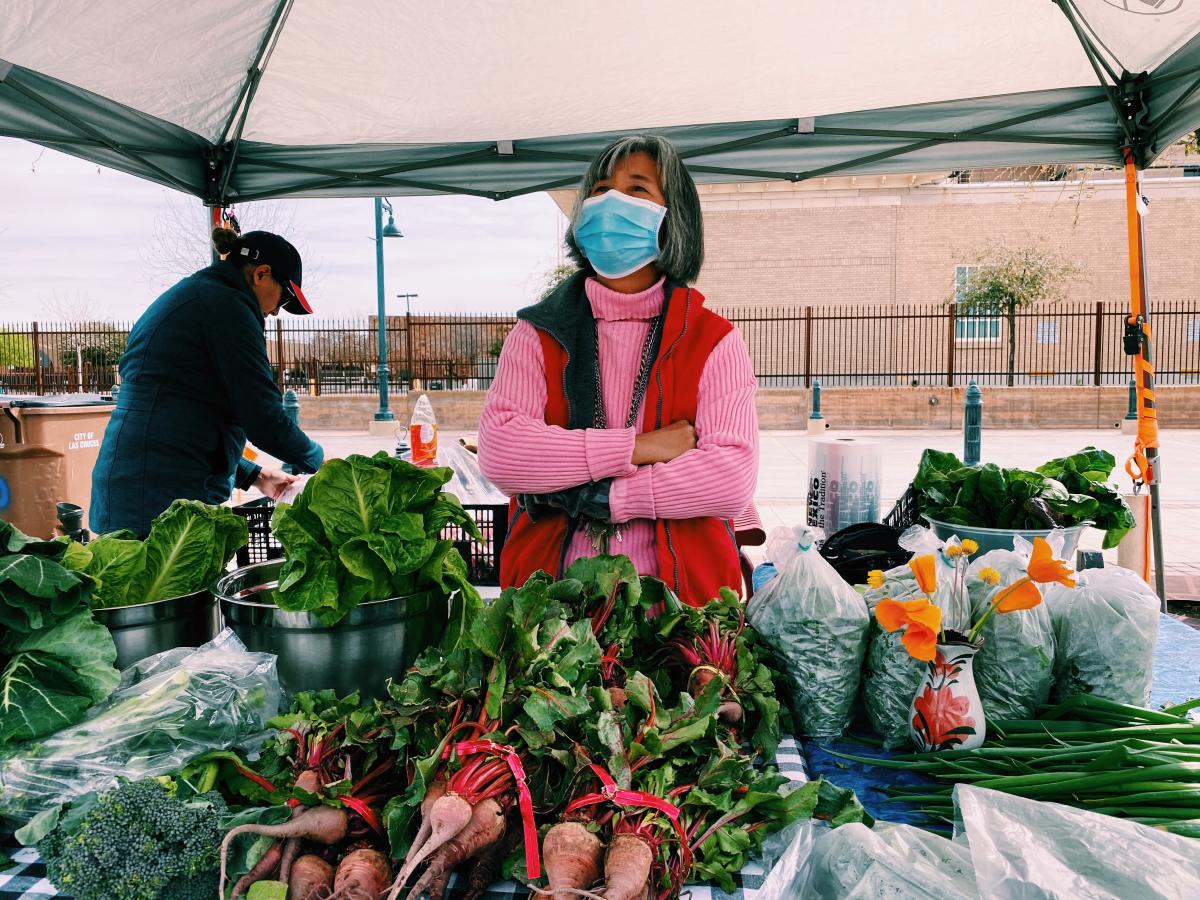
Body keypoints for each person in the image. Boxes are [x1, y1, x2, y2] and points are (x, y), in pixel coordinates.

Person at [478, 135, 759, 606]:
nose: (613, 202)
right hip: (550, 614)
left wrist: (604, 499)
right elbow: (504, 455)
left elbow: (729, 479)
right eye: (601, 188)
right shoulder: (537, 333)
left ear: (675, 216)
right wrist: (644, 447)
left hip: (681, 611)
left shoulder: (713, 339)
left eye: (638, 190)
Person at [90, 228, 325, 536]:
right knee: (165, 586)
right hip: (154, 504)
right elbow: (264, 418)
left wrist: (257, 476)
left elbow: (187, 418)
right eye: (284, 297)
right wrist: (322, 462)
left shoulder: (204, 296)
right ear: (261, 275)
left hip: (143, 494)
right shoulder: (226, 306)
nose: (275, 311)